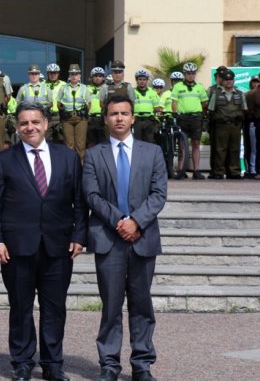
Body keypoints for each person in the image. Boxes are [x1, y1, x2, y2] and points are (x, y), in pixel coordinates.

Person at [0, 102, 87, 381]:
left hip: (58, 246)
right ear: (17, 127)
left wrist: (79, 235)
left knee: (55, 308)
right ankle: (22, 362)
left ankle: (53, 363)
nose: (29, 127)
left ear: (46, 123)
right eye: (23, 123)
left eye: (35, 122)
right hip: (17, 248)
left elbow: (79, 200)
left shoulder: (67, 157)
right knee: (20, 307)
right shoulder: (5, 159)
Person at [82, 95, 167, 381]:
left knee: (142, 304)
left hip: (143, 238)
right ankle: (109, 364)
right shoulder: (94, 154)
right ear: (105, 119)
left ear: (133, 118)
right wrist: (120, 221)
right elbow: (91, 195)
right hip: (109, 238)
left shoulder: (152, 152)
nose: (119, 118)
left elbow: (159, 194)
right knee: (111, 305)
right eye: (113, 113)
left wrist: (136, 221)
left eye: (124, 113)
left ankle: (142, 365)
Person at [171, 62, 208, 179]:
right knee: (182, 144)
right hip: (183, 118)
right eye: (188, 73)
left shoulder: (200, 87)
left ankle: (196, 170)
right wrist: (175, 114)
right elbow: (174, 102)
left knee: (196, 143)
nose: (190, 75)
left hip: (196, 118)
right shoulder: (177, 87)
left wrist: (204, 113)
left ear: (195, 74)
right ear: (184, 74)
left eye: (192, 73)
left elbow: (204, 103)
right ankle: (181, 170)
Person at [207, 70, 246, 179]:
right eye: (226, 80)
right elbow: (210, 109)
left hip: (235, 125)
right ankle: (219, 171)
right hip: (221, 125)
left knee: (235, 149)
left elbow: (244, 109)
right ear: (222, 81)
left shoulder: (239, 93)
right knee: (220, 149)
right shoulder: (216, 93)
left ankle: (234, 172)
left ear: (234, 81)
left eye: (231, 80)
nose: (229, 82)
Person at [57, 64, 89, 161]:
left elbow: (89, 104)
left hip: (81, 119)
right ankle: (70, 168)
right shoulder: (63, 88)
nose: (74, 76)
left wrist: (85, 110)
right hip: (67, 119)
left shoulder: (84, 88)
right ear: (69, 75)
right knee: (69, 145)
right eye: (72, 74)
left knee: (80, 145)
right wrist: (62, 109)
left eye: (76, 74)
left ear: (79, 75)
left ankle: (80, 168)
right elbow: (58, 103)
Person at [132, 69, 161, 144]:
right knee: (137, 142)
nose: (142, 81)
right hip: (137, 120)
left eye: (144, 79)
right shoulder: (132, 92)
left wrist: (159, 113)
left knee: (149, 142)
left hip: (149, 120)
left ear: (147, 80)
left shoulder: (152, 93)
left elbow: (156, 108)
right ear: (136, 80)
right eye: (140, 79)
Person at [44, 63, 66, 143]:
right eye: (51, 73)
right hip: (47, 116)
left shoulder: (64, 84)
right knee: (47, 141)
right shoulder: (43, 84)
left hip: (60, 116)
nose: (53, 75)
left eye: (55, 73)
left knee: (61, 140)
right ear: (48, 74)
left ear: (58, 73)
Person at [87, 67, 107, 147]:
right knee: (90, 142)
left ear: (103, 77)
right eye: (95, 76)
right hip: (90, 118)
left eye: (100, 76)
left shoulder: (107, 88)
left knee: (103, 142)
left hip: (102, 118)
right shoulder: (86, 88)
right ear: (91, 77)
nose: (98, 78)